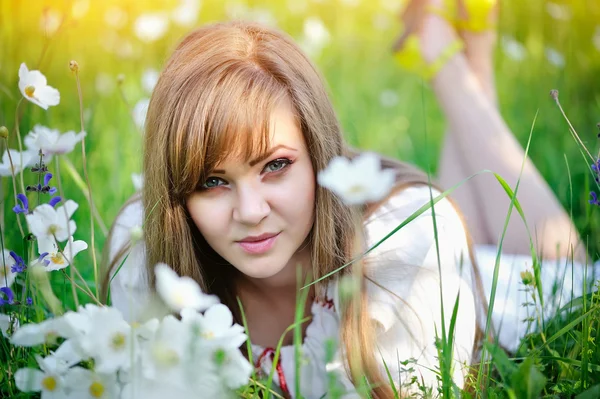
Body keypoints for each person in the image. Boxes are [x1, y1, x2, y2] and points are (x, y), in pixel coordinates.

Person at [102, 0, 595, 397]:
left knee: (569, 269)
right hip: (448, 258)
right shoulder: (147, 250)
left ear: (318, 151)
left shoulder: (409, 242)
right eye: (212, 182)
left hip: (496, 289)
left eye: (275, 166)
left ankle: (460, 63)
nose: (250, 213)